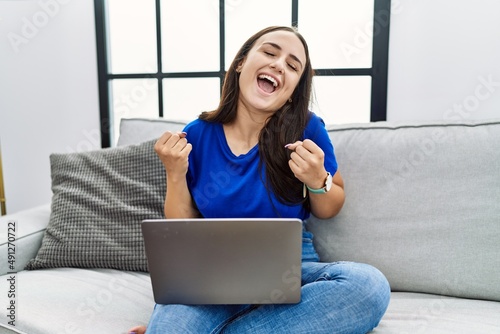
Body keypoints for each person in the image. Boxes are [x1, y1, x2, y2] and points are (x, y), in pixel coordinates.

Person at [129, 26, 390, 334]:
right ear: (241, 62)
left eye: (293, 66)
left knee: (369, 286)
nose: (279, 65)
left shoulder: (308, 128)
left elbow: (329, 208)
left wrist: (318, 179)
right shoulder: (198, 133)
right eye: (269, 52)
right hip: (211, 275)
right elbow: (182, 222)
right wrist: (174, 172)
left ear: (294, 87)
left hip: (291, 270)